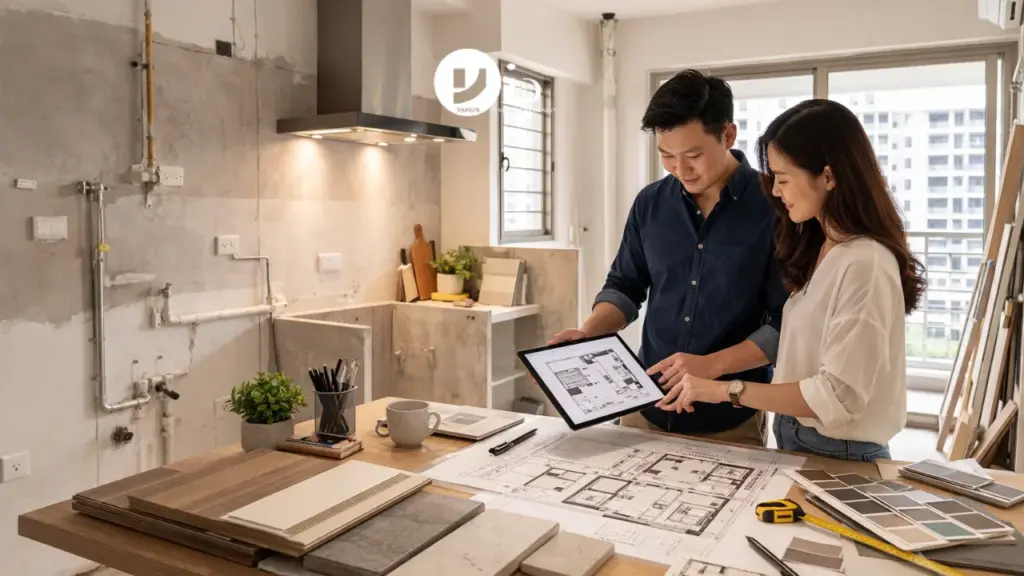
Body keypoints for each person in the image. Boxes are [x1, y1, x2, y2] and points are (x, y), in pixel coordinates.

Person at [655, 98, 926, 462]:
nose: (777, 193)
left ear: (828, 176)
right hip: (802, 438)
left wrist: (723, 390)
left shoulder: (866, 263)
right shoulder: (824, 247)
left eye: (783, 179)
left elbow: (836, 395)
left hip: (840, 451)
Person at [548, 70, 787, 447]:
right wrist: (589, 331)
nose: (680, 169)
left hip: (730, 418)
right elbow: (625, 287)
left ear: (727, 135)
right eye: (666, 156)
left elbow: (783, 323)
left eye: (693, 155)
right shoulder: (650, 203)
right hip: (645, 407)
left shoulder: (774, 207)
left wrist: (710, 367)